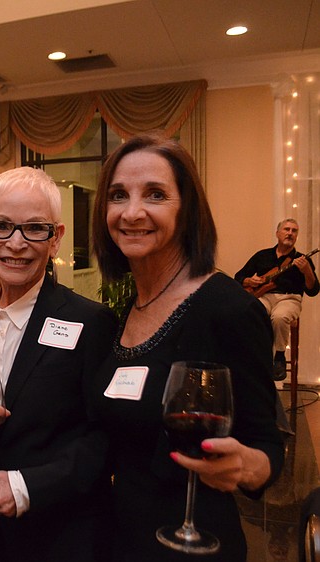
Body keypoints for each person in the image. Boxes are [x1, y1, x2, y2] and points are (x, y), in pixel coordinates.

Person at [90, 132, 285, 561]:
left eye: (155, 194)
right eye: (118, 194)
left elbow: (268, 448)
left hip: (192, 547)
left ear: (188, 210)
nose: (132, 211)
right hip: (121, 539)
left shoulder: (228, 309)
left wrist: (245, 466)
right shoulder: (131, 303)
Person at [0, 167, 117, 562]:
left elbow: (105, 439)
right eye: (2, 226)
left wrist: (26, 488)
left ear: (55, 238)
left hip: (65, 533)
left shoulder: (90, 322)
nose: (16, 243)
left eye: (34, 229)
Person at [235, 218, 318, 379]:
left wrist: (307, 270)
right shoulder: (262, 256)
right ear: (277, 233)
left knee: (279, 317)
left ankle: (279, 356)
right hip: (264, 296)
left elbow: (313, 290)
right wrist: (249, 280)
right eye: (287, 229)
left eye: (294, 231)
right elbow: (239, 276)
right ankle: (255, 353)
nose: (290, 233)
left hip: (289, 299)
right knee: (252, 311)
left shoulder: (303, 259)